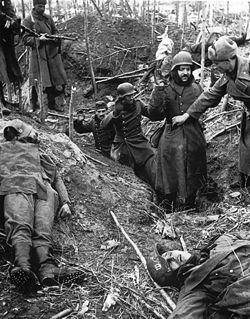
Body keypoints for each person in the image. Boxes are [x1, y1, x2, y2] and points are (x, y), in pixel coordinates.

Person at [0, 119, 82, 290]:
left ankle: (48, 270)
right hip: (17, 187)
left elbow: (57, 178)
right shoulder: (4, 152)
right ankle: (23, 268)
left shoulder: (42, 155)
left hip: (44, 191)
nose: (35, 134)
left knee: (43, 227)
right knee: (20, 224)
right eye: (31, 132)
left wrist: (66, 202)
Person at [172, 36, 250, 190]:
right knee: (246, 148)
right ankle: (246, 183)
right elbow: (210, 95)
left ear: (230, 60)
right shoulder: (229, 74)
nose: (215, 67)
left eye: (217, 63)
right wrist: (187, 115)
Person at [148, 51, 206, 212]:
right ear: (175, 71)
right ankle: (168, 204)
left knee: (194, 166)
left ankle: (190, 204)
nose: (185, 73)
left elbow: (203, 107)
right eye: (181, 69)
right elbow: (154, 114)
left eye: (188, 69)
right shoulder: (165, 89)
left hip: (193, 134)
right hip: (171, 134)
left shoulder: (196, 88)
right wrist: (157, 92)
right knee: (169, 169)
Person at [147, 232, 250, 319]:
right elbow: (184, 313)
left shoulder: (218, 242)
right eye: (169, 263)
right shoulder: (194, 286)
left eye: (168, 254)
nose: (173, 257)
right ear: (172, 278)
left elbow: (243, 234)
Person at [100, 82, 156, 187]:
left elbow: (152, 114)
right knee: (126, 177)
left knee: (152, 170)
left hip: (139, 144)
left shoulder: (138, 104)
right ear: (121, 98)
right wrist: (115, 113)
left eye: (132, 95)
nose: (132, 98)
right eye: (128, 96)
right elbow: (103, 125)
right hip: (122, 147)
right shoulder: (117, 108)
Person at [22, 0, 67, 113]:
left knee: (53, 80)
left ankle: (52, 104)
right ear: (34, 6)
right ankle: (34, 105)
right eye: (39, 6)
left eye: (43, 6)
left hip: (51, 55)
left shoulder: (48, 18)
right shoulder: (28, 20)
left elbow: (55, 30)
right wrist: (38, 40)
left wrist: (56, 37)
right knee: (36, 81)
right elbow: (25, 39)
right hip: (38, 55)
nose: (42, 8)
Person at [0, 0, 23, 113]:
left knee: (7, 67)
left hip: (3, 37)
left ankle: (2, 101)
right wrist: (6, 19)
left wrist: (13, 20)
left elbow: (9, 7)